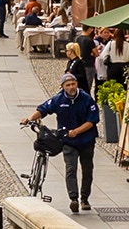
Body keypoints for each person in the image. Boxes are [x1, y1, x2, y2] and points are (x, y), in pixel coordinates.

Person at [24, 74, 99, 214]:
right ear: (63, 87)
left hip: (86, 140)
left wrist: (77, 131)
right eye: (68, 85)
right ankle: (74, 199)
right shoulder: (59, 99)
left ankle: (85, 199)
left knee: (87, 170)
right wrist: (29, 118)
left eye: (73, 84)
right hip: (68, 141)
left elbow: (92, 121)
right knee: (71, 169)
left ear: (77, 84)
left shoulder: (87, 99)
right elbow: (43, 109)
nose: (71, 87)